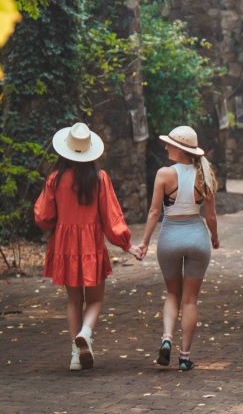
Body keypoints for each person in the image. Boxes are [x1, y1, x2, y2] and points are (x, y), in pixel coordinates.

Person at [34, 121, 138, 371]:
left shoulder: (55, 179)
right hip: (91, 244)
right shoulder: (100, 178)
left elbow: (43, 217)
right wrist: (127, 244)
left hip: (64, 245)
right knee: (95, 298)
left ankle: (75, 355)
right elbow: (111, 218)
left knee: (73, 300)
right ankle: (86, 333)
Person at [132, 125, 219, 371]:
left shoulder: (164, 174)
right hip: (197, 239)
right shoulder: (206, 174)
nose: (166, 147)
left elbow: (154, 212)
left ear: (179, 150)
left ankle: (167, 338)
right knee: (190, 300)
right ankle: (184, 357)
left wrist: (145, 242)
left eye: (170, 144)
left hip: (170, 238)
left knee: (173, 294)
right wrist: (214, 238)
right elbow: (211, 216)